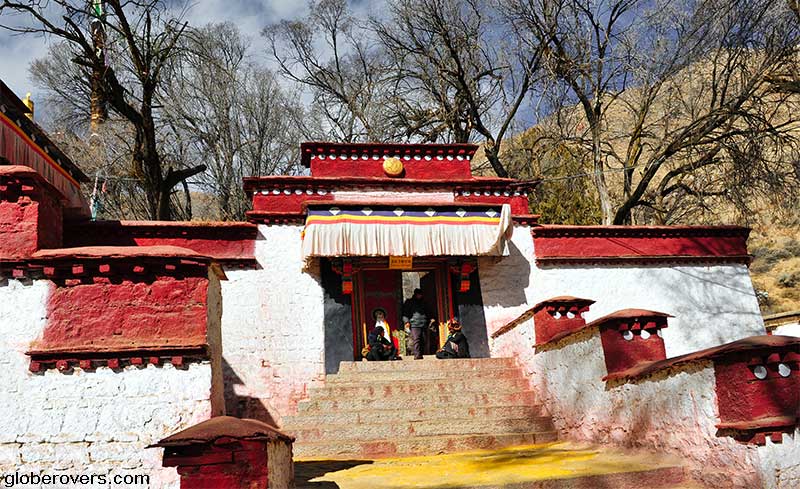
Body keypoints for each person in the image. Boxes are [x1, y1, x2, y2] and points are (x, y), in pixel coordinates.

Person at [402, 288, 429, 359]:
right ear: (415, 294)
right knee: (416, 339)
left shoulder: (424, 302)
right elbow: (405, 313)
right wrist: (406, 321)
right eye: (418, 294)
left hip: (423, 323)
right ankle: (417, 354)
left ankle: (421, 353)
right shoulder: (409, 302)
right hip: (414, 323)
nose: (419, 296)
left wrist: (429, 320)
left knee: (423, 339)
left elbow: (427, 312)